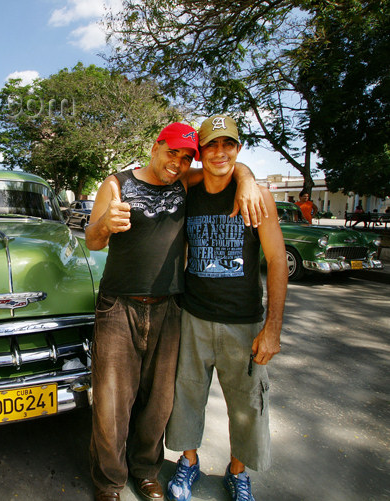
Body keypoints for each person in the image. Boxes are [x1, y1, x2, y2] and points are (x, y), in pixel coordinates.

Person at [85, 122, 266, 501]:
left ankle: (146, 470)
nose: (179, 163)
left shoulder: (184, 183)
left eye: (187, 158)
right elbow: (93, 239)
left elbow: (228, 167)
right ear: (156, 146)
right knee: (111, 401)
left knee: (159, 402)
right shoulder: (116, 184)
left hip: (170, 307)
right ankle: (109, 481)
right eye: (173, 153)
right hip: (119, 306)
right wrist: (106, 223)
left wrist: (248, 178)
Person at [164, 115, 287, 501]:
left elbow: (278, 261)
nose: (220, 152)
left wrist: (273, 329)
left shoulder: (257, 196)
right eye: (211, 145)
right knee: (186, 396)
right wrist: (246, 175)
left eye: (228, 145)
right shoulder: (188, 187)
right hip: (194, 315)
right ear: (200, 152)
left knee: (246, 404)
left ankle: (238, 472)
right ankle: (188, 461)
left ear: (238, 148)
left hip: (243, 322)